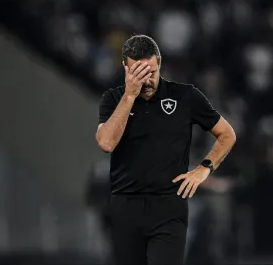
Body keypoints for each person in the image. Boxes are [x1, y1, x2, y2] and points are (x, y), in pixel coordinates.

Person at [95, 34, 236, 265]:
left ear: (159, 62)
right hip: (126, 206)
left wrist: (204, 169)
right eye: (137, 72)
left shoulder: (185, 96)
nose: (146, 80)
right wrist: (130, 95)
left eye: (150, 71)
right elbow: (106, 143)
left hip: (169, 207)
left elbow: (227, 134)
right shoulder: (113, 99)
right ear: (125, 68)